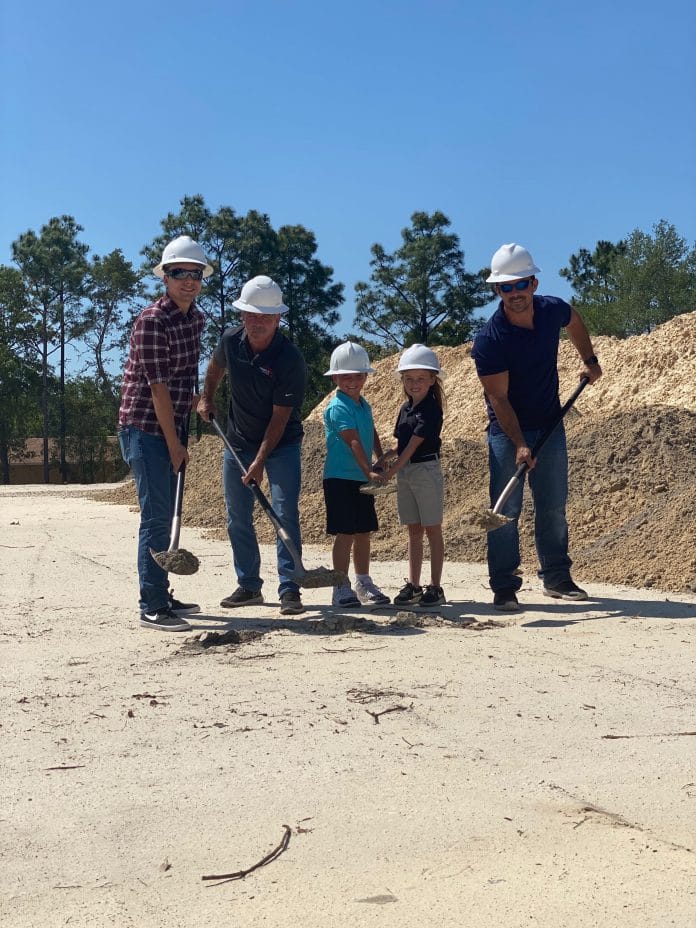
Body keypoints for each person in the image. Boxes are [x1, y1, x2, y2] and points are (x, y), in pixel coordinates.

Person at [471, 243, 602, 612]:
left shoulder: (550, 310)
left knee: (552, 507)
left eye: (521, 284)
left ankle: (557, 577)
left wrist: (589, 360)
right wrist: (518, 444)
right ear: (497, 291)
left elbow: (574, 319)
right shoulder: (490, 340)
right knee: (504, 511)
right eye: (506, 288)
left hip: (550, 423)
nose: (515, 294)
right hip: (505, 431)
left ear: (533, 282)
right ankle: (504, 586)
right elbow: (498, 398)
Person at [118, 235, 212, 631]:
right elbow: (156, 385)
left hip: (173, 425)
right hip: (145, 428)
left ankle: (162, 591)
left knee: (166, 516)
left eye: (194, 274)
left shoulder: (196, 319)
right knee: (156, 519)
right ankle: (152, 605)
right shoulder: (152, 321)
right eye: (179, 274)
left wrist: (197, 401)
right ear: (165, 277)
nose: (188, 281)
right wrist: (174, 444)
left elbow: (181, 379)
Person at [198, 276, 307, 616]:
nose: (257, 322)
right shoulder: (231, 341)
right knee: (237, 517)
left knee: (283, 513)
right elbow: (215, 367)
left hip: (281, 445)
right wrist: (207, 398)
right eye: (251, 315)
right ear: (242, 315)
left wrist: (259, 462)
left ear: (278, 319)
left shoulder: (290, 359)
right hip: (237, 441)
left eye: (265, 316)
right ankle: (248, 585)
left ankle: (290, 587)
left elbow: (279, 420)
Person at [322, 342, 390, 608]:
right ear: (336, 378)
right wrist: (370, 471)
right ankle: (340, 585)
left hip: (361, 477)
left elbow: (369, 432)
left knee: (363, 532)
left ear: (365, 377)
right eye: (346, 376)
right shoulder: (338, 407)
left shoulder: (364, 405)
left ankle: (363, 581)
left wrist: (380, 457)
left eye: (358, 376)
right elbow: (352, 442)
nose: (353, 381)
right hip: (340, 478)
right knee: (345, 533)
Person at [383, 344, 446, 608]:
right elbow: (401, 443)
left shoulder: (431, 409)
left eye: (421, 378)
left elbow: (414, 445)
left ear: (432, 380)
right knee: (413, 530)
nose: (414, 383)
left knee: (432, 528)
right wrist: (382, 460)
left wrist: (391, 471)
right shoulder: (405, 409)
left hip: (424, 469)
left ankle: (435, 586)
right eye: (409, 379)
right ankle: (414, 584)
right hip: (407, 470)